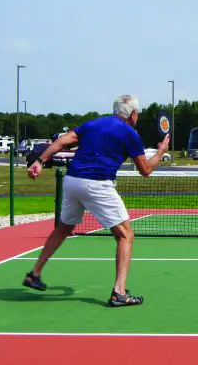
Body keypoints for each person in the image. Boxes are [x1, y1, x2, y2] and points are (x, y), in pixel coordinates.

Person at [21, 94, 169, 307]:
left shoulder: (92, 124)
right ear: (133, 114)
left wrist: (40, 161)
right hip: (97, 184)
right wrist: (161, 151)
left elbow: (63, 140)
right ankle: (119, 292)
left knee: (63, 228)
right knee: (125, 234)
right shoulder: (129, 133)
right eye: (138, 113)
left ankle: (34, 274)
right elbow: (145, 170)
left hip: (72, 181)